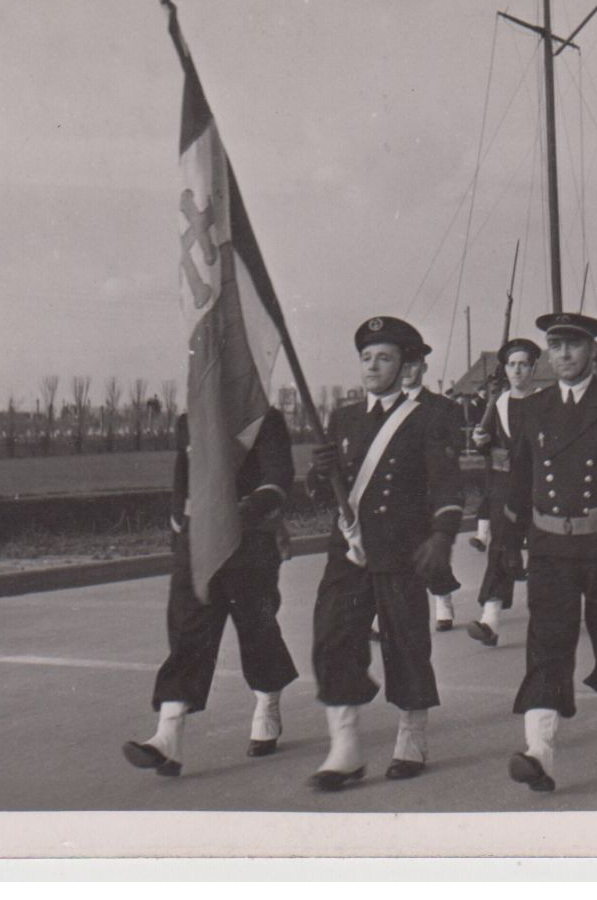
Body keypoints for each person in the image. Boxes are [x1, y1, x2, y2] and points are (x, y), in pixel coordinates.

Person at [500, 311, 597, 792]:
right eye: (555, 345)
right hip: (549, 545)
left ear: (593, 351)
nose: (562, 354)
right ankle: (540, 751)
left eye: (572, 345)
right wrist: (506, 542)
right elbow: (519, 480)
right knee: (547, 644)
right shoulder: (534, 407)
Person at [305, 316, 463, 790]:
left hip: (402, 549)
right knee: (332, 639)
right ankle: (346, 748)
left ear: (405, 365)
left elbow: (445, 481)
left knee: (407, 644)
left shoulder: (431, 416)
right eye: (366, 357)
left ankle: (412, 736)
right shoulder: (345, 416)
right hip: (350, 549)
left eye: (385, 358)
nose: (373, 366)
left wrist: (443, 535)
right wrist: (318, 474)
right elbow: (325, 493)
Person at [121, 410, 300, 777]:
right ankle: (167, 736)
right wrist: (179, 534)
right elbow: (181, 478)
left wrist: (249, 510)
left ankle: (267, 704)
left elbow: (278, 476)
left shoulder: (263, 420)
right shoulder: (192, 418)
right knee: (188, 633)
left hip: (249, 541)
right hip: (197, 542)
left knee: (257, 629)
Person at [466, 338, 542, 646]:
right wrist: (482, 440)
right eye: (512, 364)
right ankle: (490, 620)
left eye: (523, 364)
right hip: (505, 488)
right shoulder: (496, 404)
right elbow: (491, 447)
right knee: (500, 549)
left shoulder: (546, 402)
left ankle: (549, 615)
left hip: (539, 488)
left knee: (542, 551)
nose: (517, 370)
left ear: (534, 368)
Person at [400, 350, 465, 632]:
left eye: (412, 364)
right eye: (401, 364)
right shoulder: (385, 406)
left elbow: (454, 447)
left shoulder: (443, 407)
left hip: (429, 490)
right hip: (396, 492)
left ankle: (443, 601)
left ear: (423, 367)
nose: (406, 370)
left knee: (432, 550)